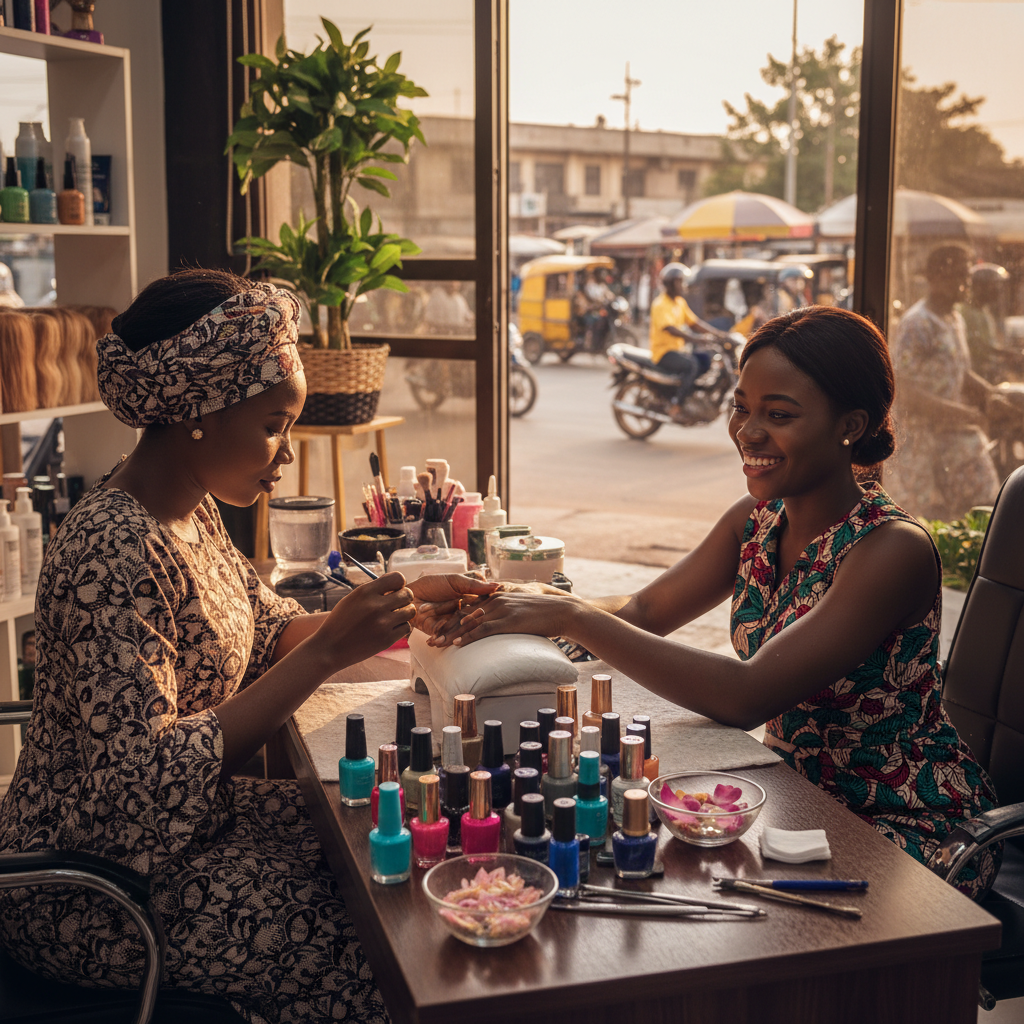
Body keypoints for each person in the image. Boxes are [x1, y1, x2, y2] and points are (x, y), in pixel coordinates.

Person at [0, 269, 490, 1023]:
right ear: (197, 409)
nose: (285, 452)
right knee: (383, 944)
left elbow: (266, 633)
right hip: (94, 883)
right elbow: (140, 790)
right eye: (271, 425)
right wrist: (330, 652)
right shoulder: (111, 548)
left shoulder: (187, 515)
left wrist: (404, 600)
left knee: (393, 851)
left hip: (186, 832)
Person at [422, 305, 1000, 900]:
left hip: (906, 824)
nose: (747, 432)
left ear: (849, 425)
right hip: (794, 797)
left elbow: (746, 694)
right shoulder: (756, 522)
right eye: (741, 407)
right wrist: (507, 601)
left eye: (778, 415)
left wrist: (568, 614)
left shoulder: (889, 549)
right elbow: (646, 612)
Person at [887, 245, 1004, 522]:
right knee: (923, 520)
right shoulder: (918, 323)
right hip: (919, 443)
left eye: (967, 278)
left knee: (980, 508)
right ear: (937, 278)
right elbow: (907, 392)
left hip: (951, 438)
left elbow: (959, 372)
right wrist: (970, 415)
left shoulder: (955, 319)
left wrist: (991, 395)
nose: (965, 285)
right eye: (958, 277)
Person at [649, 263, 726, 421]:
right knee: (691, 365)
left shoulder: (679, 302)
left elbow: (694, 323)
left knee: (705, 361)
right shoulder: (660, 304)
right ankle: (676, 404)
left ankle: (688, 393)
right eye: (679, 282)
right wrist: (695, 339)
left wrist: (718, 334)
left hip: (678, 350)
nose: (682, 285)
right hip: (663, 352)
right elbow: (670, 328)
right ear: (670, 284)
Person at [960, 262, 1012, 383]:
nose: (998, 291)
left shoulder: (984, 311)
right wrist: (1010, 355)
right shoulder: (966, 312)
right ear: (980, 287)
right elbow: (979, 346)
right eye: (993, 286)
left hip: (988, 374)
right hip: (975, 377)